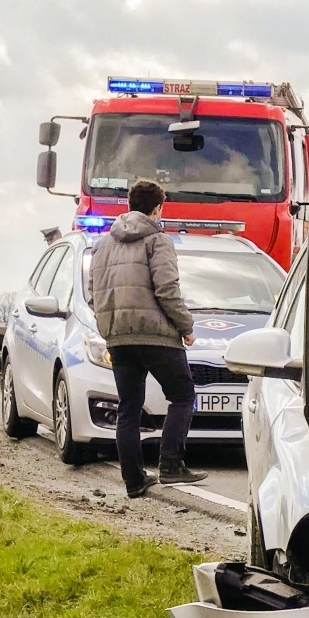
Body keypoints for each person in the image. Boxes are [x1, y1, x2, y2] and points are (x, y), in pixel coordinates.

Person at [89, 179, 208, 497]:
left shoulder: (102, 244)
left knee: (128, 407)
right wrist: (186, 326)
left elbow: (93, 294)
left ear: (129, 205)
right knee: (182, 396)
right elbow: (167, 289)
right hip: (156, 335)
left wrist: (107, 326)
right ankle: (170, 465)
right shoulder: (158, 241)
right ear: (158, 208)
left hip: (118, 337)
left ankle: (134, 480)